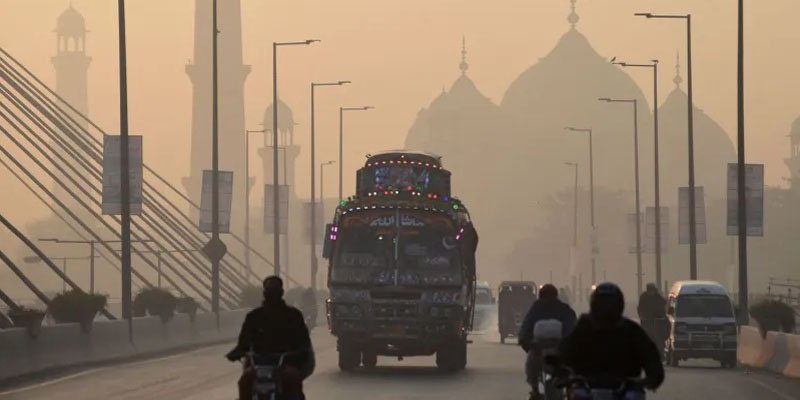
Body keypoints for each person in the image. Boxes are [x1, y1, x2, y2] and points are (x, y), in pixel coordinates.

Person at [558, 282, 665, 394]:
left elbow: (650, 355)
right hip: (588, 389)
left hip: (624, 390)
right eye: (602, 304)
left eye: (610, 304)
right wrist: (557, 367)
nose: (606, 308)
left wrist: (653, 377)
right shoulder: (584, 327)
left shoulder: (630, 329)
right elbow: (564, 350)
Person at [226, 276, 315, 400]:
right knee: (245, 381)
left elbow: (303, 341)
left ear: (281, 292)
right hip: (258, 366)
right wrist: (236, 353)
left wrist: (299, 353)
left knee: (291, 379)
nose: (272, 294)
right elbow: (244, 343)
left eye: (275, 291)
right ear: (264, 293)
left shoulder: (293, 316)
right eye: (269, 291)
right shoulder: (254, 317)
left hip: (285, 364)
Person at [518, 284, 577, 400]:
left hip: (560, 349)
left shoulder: (564, 310)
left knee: (571, 369)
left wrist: (569, 344)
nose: (548, 299)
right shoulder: (536, 309)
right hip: (539, 349)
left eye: (550, 296)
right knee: (531, 365)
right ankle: (535, 390)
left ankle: (570, 391)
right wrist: (525, 341)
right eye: (546, 296)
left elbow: (572, 329)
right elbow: (526, 327)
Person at [637, 283, 668, 356]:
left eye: (652, 289)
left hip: (658, 320)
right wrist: (642, 316)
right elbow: (640, 308)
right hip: (647, 320)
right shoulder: (644, 296)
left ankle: (661, 352)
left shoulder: (658, 296)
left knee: (660, 337)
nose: (651, 291)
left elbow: (664, 303)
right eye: (650, 289)